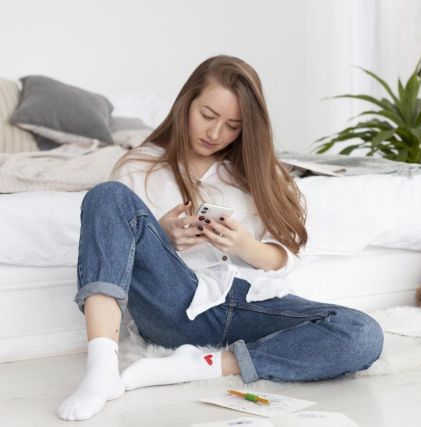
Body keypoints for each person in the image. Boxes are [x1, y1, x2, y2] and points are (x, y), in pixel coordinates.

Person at [57, 55, 384, 421]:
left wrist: (246, 246)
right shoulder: (141, 166)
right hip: (174, 303)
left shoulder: (258, 175)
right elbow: (116, 247)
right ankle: (101, 369)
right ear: (186, 104)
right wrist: (163, 236)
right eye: (208, 116)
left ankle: (205, 364)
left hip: (247, 301)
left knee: (363, 333)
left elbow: (285, 256)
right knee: (106, 195)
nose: (215, 134)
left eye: (232, 126)